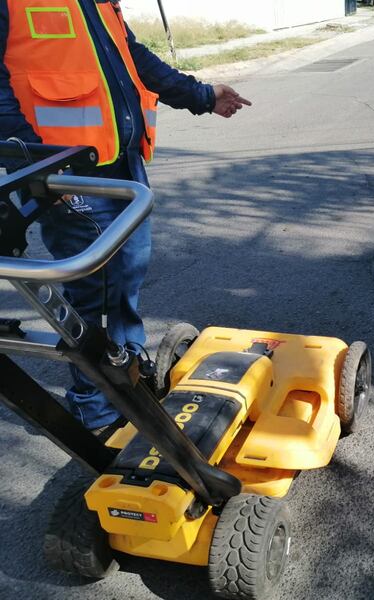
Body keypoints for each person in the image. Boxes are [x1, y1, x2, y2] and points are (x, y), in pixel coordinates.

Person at [0, 0, 251, 433]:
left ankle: (127, 375)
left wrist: (202, 95)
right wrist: (32, 162)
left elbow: (132, 57)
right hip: (64, 172)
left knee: (125, 278)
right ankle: (93, 403)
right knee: (90, 289)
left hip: (122, 165)